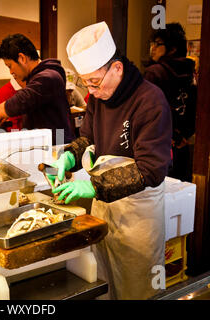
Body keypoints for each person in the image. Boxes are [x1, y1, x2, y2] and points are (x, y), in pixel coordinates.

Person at [49, 22, 172, 299]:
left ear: (116, 68)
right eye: (86, 83)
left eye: (95, 82)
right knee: (103, 284)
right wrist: (69, 156)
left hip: (138, 214)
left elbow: (151, 169)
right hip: (104, 209)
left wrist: (94, 187)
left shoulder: (151, 101)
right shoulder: (99, 98)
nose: (90, 91)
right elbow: (87, 139)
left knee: (139, 289)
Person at [0, 34, 75, 145]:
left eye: (10, 66)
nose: (10, 72)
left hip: (58, 145)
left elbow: (22, 100)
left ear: (22, 58)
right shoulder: (39, 76)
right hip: (48, 144)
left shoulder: (48, 76)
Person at [143, 23, 197, 182]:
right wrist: (183, 136)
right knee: (181, 192)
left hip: (160, 144)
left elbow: (148, 111)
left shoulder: (154, 72)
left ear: (172, 48)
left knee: (160, 192)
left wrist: (171, 135)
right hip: (183, 144)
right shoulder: (190, 71)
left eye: (158, 44)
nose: (152, 48)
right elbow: (195, 107)